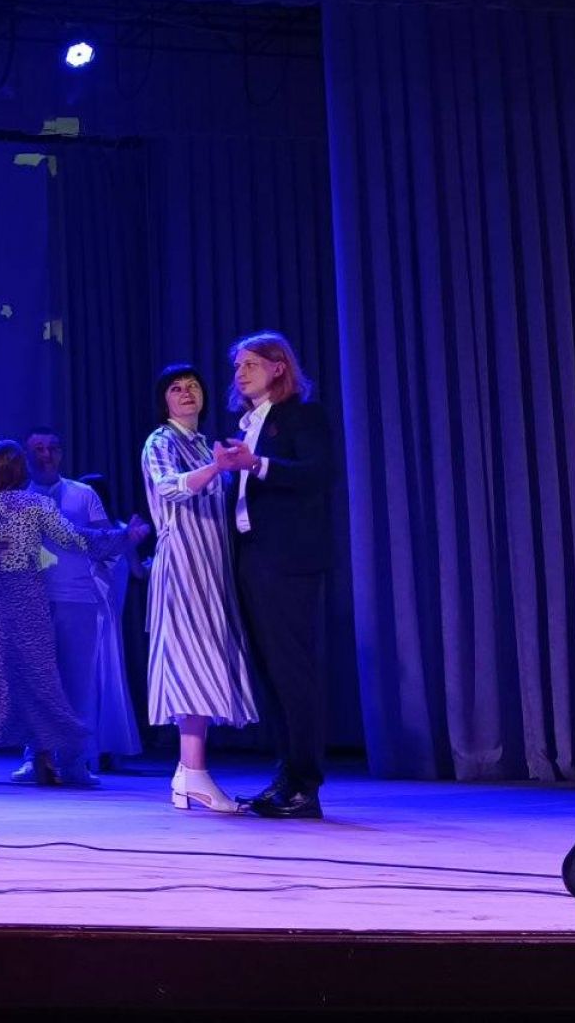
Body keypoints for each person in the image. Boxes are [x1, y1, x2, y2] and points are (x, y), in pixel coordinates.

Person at [0, 441, 145, 785]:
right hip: (26, 593)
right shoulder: (36, 504)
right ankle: (46, 758)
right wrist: (124, 537)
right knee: (39, 676)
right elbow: (76, 538)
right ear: (21, 469)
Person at [213, 332, 336, 820]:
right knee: (271, 671)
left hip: (288, 558)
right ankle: (286, 778)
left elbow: (318, 473)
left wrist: (257, 463)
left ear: (278, 367)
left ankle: (305, 784)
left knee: (293, 670)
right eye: (237, 366)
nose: (240, 373)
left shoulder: (302, 414)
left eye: (250, 364)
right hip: (253, 554)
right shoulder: (248, 424)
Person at [140, 364, 258, 812]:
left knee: (205, 660)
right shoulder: (161, 441)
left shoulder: (207, 445)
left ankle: (187, 771)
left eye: (193, 386)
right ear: (164, 400)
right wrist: (215, 468)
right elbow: (169, 488)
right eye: (176, 388)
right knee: (190, 661)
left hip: (212, 564)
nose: (186, 393)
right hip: (182, 564)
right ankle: (194, 771)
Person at [18, 427, 116, 784]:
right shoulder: (18, 497)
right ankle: (35, 758)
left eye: (52, 448)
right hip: (31, 603)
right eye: (38, 448)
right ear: (27, 455)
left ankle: (74, 761)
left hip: (78, 599)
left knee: (77, 684)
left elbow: (105, 542)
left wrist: (123, 540)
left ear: (61, 453)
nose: (46, 455)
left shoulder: (83, 494)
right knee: (36, 685)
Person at [77, 472, 145, 769]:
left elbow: (137, 571)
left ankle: (89, 748)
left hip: (94, 613)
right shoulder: (118, 531)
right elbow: (139, 571)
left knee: (88, 678)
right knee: (105, 677)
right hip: (98, 614)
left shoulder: (91, 532)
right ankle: (102, 749)